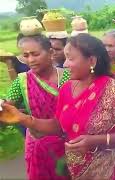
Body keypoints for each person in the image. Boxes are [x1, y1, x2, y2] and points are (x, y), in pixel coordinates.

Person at [0, 34, 115, 179]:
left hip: (110, 168)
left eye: (71, 59)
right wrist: (23, 118)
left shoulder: (113, 90)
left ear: (91, 61)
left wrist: (98, 140)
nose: (65, 64)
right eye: (66, 58)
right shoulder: (67, 88)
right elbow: (57, 125)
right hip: (76, 169)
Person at [5, 34, 69, 180]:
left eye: (35, 54)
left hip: (68, 144)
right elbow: (8, 107)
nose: (31, 60)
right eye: (25, 55)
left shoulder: (68, 77)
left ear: (51, 53)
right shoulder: (22, 81)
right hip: (37, 145)